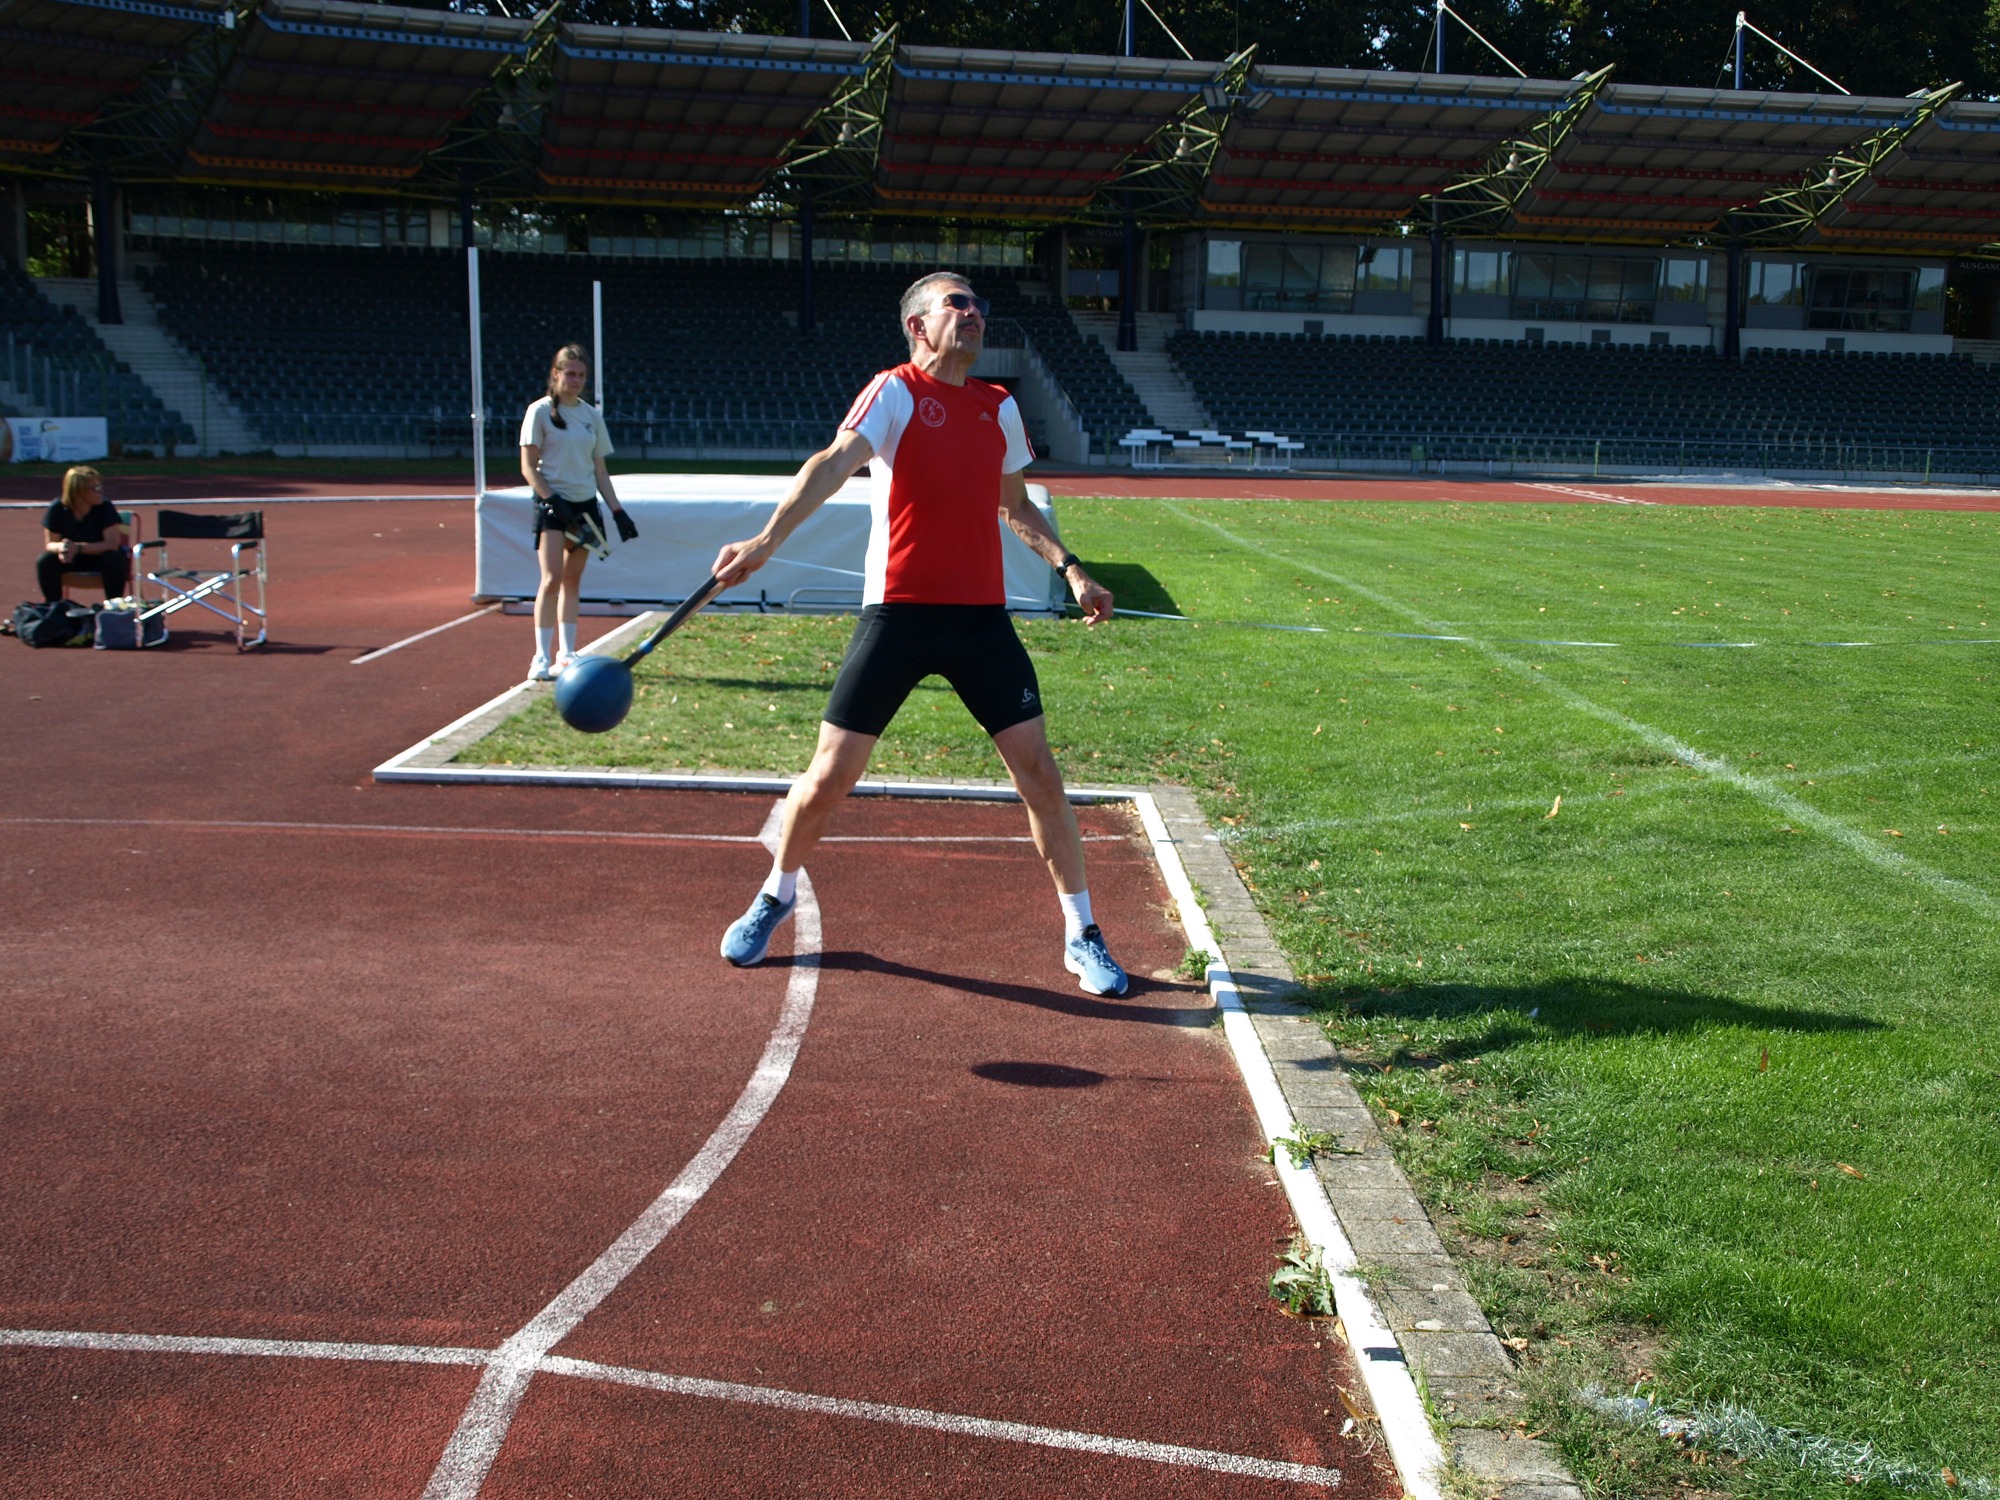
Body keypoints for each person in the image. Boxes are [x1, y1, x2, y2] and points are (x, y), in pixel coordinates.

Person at [711, 271, 1129, 997]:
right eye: (955, 304)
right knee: (829, 776)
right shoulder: (894, 391)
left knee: (1040, 774)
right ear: (918, 325)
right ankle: (776, 892)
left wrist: (1072, 571)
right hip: (898, 614)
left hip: (979, 620)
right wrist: (766, 541)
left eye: (978, 306)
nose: (973, 314)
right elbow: (833, 463)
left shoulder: (999, 406)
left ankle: (1082, 931)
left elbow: (1015, 505)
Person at [519, 343, 636, 681]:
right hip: (553, 505)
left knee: (573, 580)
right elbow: (528, 467)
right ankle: (541, 656)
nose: (576, 380)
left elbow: (600, 470)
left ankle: (566, 652)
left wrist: (618, 512)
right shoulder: (539, 412)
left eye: (581, 375)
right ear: (556, 374)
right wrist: (551, 499)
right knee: (551, 579)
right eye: (570, 373)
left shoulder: (591, 416)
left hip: (585, 507)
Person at [38, 465, 127, 603]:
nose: (100, 491)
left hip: (98, 558)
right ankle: (54, 607)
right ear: (79, 491)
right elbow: (50, 544)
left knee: (115, 559)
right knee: (45, 561)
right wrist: (62, 548)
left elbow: (112, 544)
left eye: (100, 486)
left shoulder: (105, 507)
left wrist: (78, 548)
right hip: (70, 560)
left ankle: (114, 606)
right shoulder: (57, 508)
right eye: (95, 488)